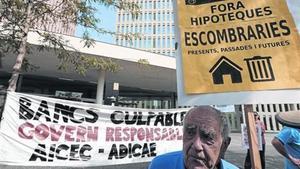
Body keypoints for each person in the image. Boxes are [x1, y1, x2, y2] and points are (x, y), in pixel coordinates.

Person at [148, 106, 238, 169]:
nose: (196, 145)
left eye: (207, 137)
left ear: (224, 145)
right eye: (190, 133)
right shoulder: (160, 165)